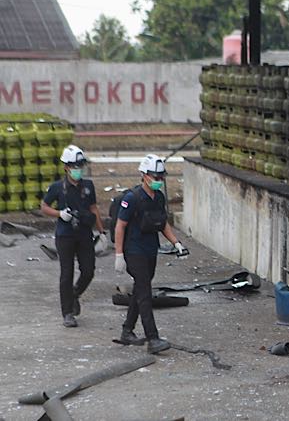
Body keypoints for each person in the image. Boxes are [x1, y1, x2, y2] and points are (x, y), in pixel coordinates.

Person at [114, 154, 189, 354]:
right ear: (144, 175)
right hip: (133, 250)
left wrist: (176, 243)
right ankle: (152, 339)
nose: (159, 181)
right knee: (145, 292)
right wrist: (119, 255)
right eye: (155, 177)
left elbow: (162, 223)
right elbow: (120, 226)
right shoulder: (132, 198)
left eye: (161, 177)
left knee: (141, 289)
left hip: (150, 250)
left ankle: (127, 331)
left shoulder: (159, 197)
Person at [40, 145, 105, 328]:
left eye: (80, 166)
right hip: (65, 236)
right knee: (66, 274)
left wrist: (101, 231)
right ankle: (67, 312)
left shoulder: (88, 186)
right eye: (75, 166)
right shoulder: (57, 188)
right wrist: (59, 214)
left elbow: (93, 208)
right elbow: (44, 207)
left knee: (88, 271)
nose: (78, 170)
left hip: (84, 234)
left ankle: (75, 293)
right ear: (66, 167)